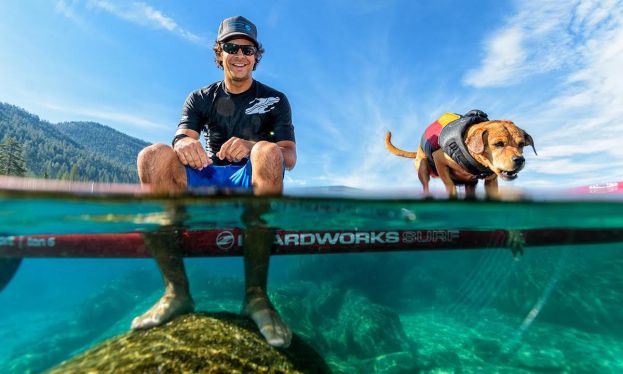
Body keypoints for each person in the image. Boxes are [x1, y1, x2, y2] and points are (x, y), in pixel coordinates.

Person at [133, 15, 296, 348]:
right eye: (231, 47)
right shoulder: (200, 97)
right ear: (219, 53)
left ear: (256, 55)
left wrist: (252, 146)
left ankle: (256, 297)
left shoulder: (276, 99)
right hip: (206, 175)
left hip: (248, 178)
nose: (239, 55)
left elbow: (289, 157)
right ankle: (176, 293)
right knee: (152, 155)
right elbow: (182, 138)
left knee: (268, 152)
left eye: (247, 49)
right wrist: (184, 144)